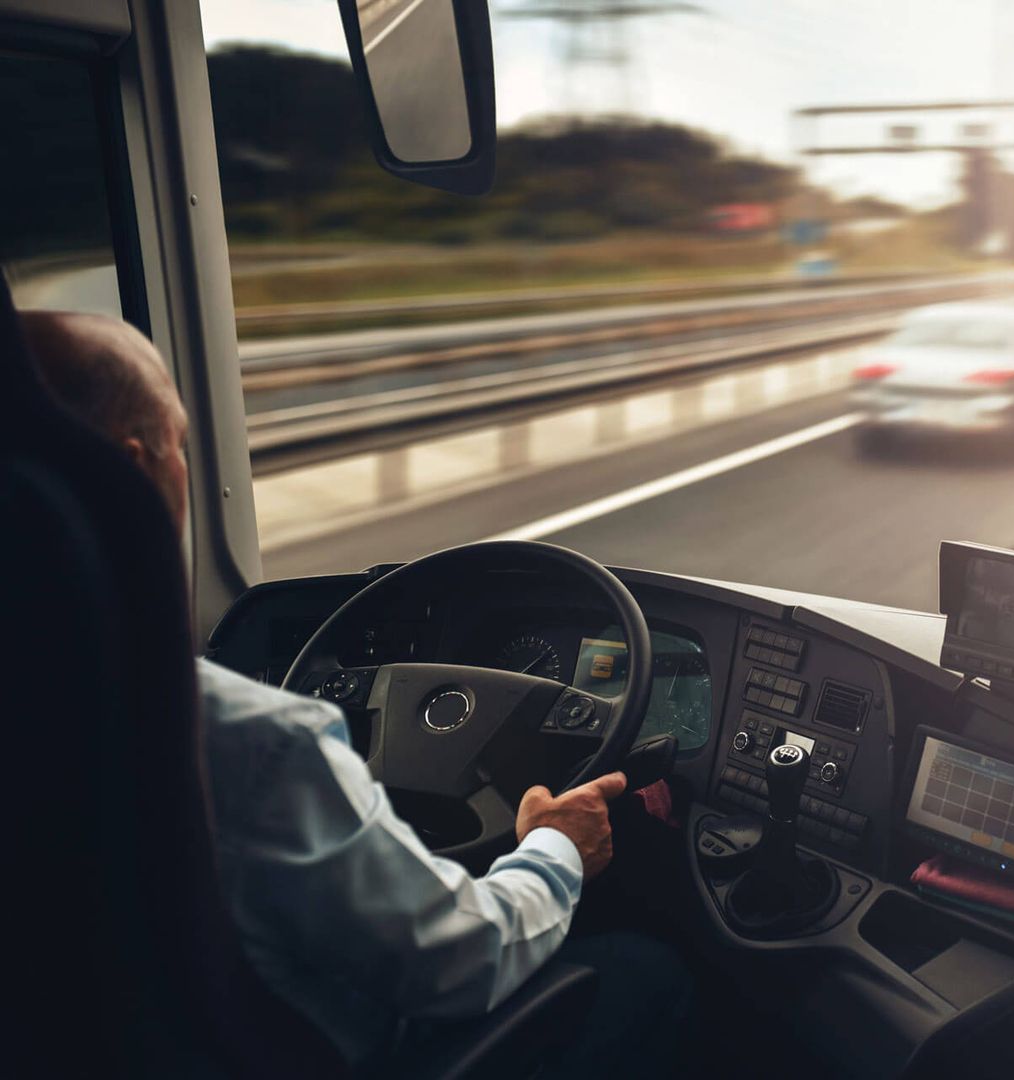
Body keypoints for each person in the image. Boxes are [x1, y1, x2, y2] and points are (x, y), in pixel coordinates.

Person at [19, 310, 688, 1074]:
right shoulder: (250, 741)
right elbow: (463, 960)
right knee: (645, 970)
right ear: (136, 472)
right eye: (180, 445)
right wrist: (555, 846)